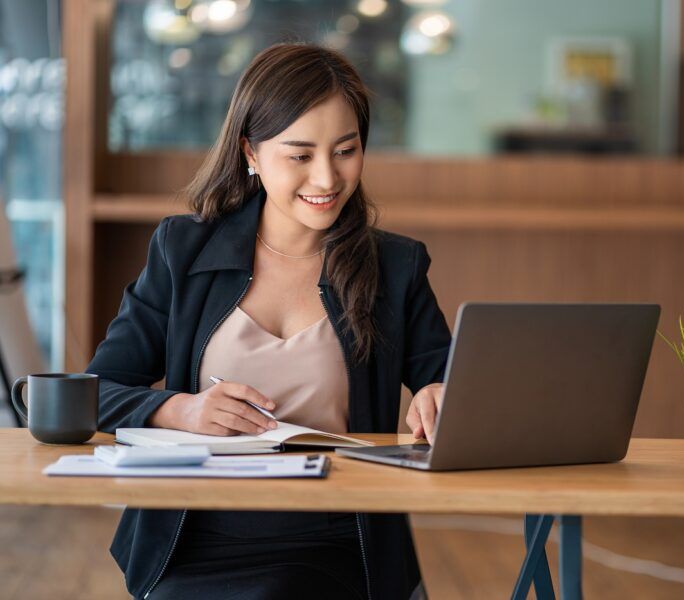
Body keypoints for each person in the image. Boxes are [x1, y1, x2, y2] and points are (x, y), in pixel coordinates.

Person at [86, 42, 451, 600]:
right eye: (299, 155)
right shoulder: (182, 251)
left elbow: (450, 378)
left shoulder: (394, 267)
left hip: (338, 538)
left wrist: (440, 394)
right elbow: (97, 390)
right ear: (250, 153)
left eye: (346, 150)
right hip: (196, 534)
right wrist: (179, 409)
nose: (327, 178)